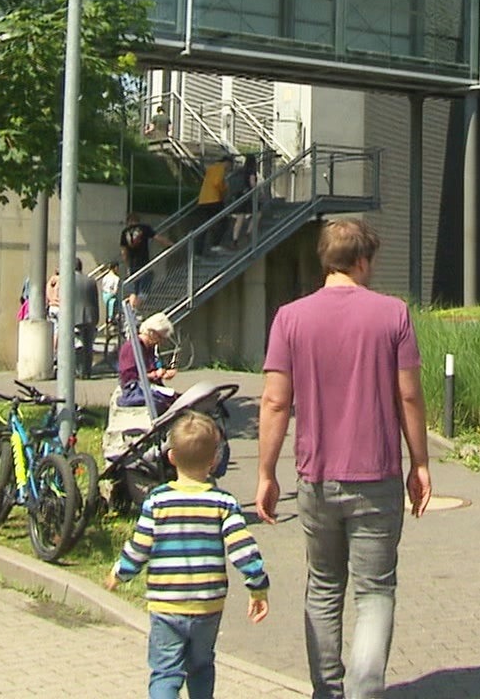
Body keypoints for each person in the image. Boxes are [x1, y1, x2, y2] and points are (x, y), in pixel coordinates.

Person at [256, 219, 431, 699]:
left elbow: (274, 401)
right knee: (374, 591)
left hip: (315, 476)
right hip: (376, 476)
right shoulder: (393, 314)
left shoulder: (289, 318)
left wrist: (266, 472)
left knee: (324, 587)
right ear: (361, 260)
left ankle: (327, 691)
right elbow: (409, 397)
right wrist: (420, 462)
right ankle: (364, 691)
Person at [106, 412, 270, 699]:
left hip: (166, 604)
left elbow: (139, 547)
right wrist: (257, 586)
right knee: (202, 666)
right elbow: (243, 549)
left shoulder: (157, 501)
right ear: (214, 461)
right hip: (208, 605)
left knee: (166, 671)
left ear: (171, 458)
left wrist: (120, 572)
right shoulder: (223, 503)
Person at [117, 311, 179, 411]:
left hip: (148, 387)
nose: (161, 341)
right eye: (160, 337)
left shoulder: (149, 347)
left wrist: (163, 373)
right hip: (134, 390)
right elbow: (129, 377)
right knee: (165, 402)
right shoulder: (132, 347)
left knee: (178, 398)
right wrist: (155, 374)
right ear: (151, 332)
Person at [120, 213, 171, 300]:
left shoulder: (125, 232)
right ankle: (137, 304)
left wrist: (128, 266)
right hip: (144, 263)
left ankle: (134, 307)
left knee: (135, 290)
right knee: (145, 288)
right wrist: (170, 244)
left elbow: (124, 252)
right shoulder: (144, 228)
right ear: (138, 220)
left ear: (128, 221)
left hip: (132, 265)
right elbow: (158, 238)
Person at [196, 154, 230, 253]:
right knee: (224, 221)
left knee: (203, 226)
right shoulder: (221, 168)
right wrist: (224, 188)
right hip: (214, 199)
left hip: (203, 200)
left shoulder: (211, 168)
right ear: (227, 163)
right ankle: (215, 244)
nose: (229, 168)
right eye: (229, 165)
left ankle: (198, 251)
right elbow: (217, 182)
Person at [227, 154, 260, 249]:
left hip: (238, 196)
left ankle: (235, 239)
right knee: (257, 213)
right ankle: (248, 232)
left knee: (240, 217)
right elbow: (252, 183)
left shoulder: (240, 170)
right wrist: (257, 192)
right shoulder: (251, 171)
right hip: (248, 196)